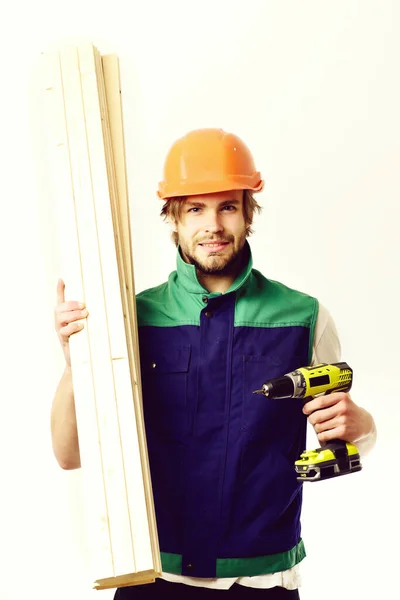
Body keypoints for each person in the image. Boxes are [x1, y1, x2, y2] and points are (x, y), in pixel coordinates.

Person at [51, 128, 377, 599]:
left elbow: (346, 442)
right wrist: (73, 364)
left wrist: (362, 427)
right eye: (195, 209)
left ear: (248, 213)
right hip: (153, 577)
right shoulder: (130, 317)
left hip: (262, 581)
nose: (213, 226)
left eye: (227, 206)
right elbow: (69, 456)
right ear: (175, 220)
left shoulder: (303, 316)